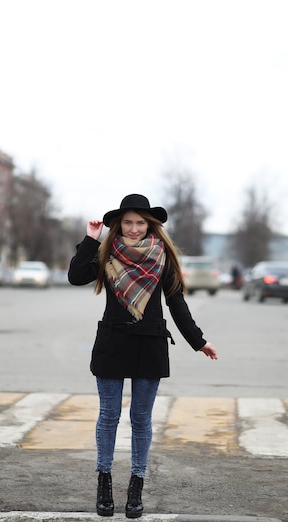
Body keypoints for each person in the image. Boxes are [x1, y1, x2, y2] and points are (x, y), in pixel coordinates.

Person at [68, 194, 218, 519]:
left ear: (149, 225)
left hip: (149, 344)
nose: (134, 228)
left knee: (140, 419)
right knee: (108, 416)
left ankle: (136, 486)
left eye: (140, 222)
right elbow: (76, 275)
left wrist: (198, 341)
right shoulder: (107, 254)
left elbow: (177, 303)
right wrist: (90, 240)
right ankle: (104, 483)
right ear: (118, 225)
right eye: (128, 222)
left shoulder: (161, 257)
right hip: (112, 342)